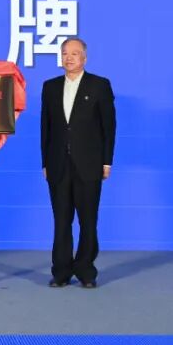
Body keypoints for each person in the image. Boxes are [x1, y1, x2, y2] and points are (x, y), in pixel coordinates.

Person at [40, 37, 116, 288]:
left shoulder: (99, 85)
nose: (68, 58)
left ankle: (86, 270)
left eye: (74, 53)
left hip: (90, 164)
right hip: (58, 164)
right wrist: (45, 162)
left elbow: (108, 127)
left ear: (84, 57)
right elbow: (45, 128)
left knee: (88, 220)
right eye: (65, 53)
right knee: (61, 221)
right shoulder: (50, 87)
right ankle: (61, 271)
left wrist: (107, 161)